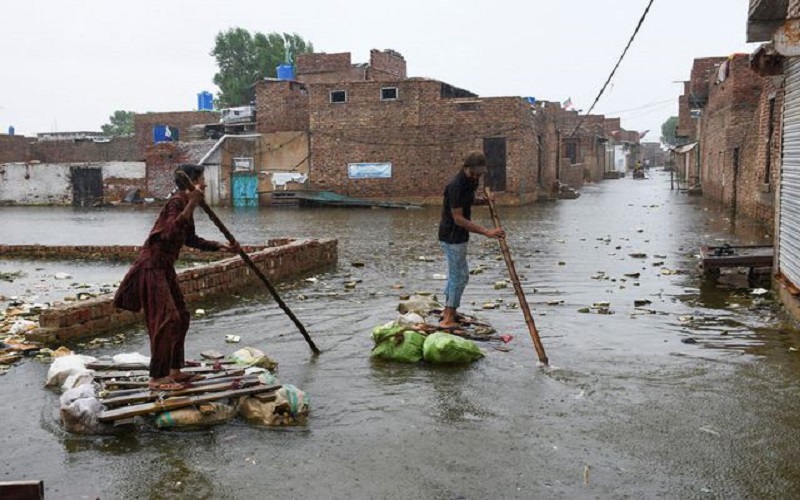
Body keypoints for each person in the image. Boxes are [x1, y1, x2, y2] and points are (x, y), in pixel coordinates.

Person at [113, 164, 240, 391]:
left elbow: (189, 238)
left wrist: (220, 247)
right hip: (152, 267)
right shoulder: (177, 202)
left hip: (165, 268)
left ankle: (174, 370)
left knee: (181, 315)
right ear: (191, 183)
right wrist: (191, 203)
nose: (206, 184)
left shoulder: (185, 205)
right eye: (202, 180)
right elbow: (169, 231)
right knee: (167, 319)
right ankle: (158, 377)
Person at [438, 151, 505, 328]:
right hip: (451, 236)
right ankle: (448, 319)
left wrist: (483, 201)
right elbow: (458, 218)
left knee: (458, 276)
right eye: (474, 172)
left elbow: (467, 200)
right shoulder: (456, 185)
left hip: (460, 236)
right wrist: (487, 232)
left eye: (479, 173)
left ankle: (448, 312)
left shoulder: (471, 181)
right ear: (465, 167)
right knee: (459, 277)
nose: (476, 176)